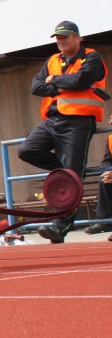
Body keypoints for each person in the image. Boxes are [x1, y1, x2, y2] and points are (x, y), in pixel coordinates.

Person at [17, 20, 107, 243]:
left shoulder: (92, 57)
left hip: (78, 122)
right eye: (58, 37)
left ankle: (60, 228)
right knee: (27, 150)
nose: (61, 40)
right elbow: (36, 86)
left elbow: (82, 79)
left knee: (71, 176)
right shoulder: (52, 60)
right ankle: (69, 171)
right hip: (53, 120)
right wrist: (62, 85)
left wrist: (54, 81)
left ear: (78, 37)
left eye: (65, 36)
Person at [90, 116, 112, 237]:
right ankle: (104, 221)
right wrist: (107, 170)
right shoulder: (110, 139)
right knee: (104, 179)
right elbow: (107, 161)